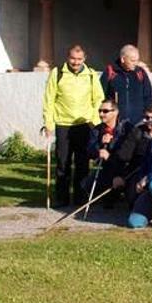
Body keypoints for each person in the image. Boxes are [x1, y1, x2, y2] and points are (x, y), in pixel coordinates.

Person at [43, 44, 105, 205]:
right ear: (67, 57)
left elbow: (98, 99)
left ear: (84, 59)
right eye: (73, 58)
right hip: (63, 124)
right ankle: (62, 198)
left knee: (82, 164)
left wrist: (96, 123)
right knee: (63, 163)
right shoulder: (57, 73)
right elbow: (49, 100)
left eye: (79, 59)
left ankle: (80, 197)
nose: (76, 62)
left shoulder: (91, 75)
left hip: (84, 125)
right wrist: (48, 124)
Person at [81, 100, 135, 208]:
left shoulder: (127, 128)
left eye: (105, 111)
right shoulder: (97, 130)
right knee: (87, 185)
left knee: (131, 197)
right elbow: (89, 152)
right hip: (107, 168)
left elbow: (127, 153)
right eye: (100, 111)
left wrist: (109, 153)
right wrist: (100, 146)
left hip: (125, 168)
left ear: (115, 112)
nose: (101, 114)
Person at [101, 44, 152, 124]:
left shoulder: (140, 73)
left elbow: (148, 96)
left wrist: (147, 116)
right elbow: (101, 95)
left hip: (138, 122)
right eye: (132, 60)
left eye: (137, 60)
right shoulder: (110, 71)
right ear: (123, 59)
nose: (135, 63)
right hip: (115, 121)